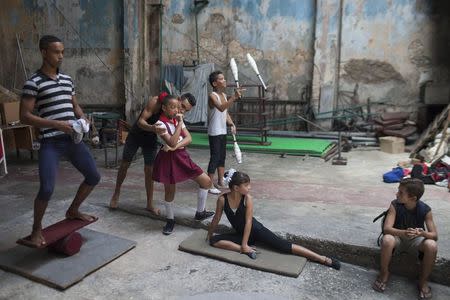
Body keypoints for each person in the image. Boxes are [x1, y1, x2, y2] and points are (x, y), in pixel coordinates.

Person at [20, 35, 101, 247]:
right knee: (47, 188)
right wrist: (56, 124)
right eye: (56, 52)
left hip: (72, 139)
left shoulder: (67, 79)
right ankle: (36, 229)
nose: (61, 56)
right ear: (44, 52)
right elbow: (24, 116)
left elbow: (74, 106)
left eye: (63, 52)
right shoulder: (33, 82)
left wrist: (83, 118)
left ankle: (73, 210)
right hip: (50, 143)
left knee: (93, 176)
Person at [207, 170, 341, 269]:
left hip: (256, 230)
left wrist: (244, 243)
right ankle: (243, 249)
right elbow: (217, 218)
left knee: (283, 246)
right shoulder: (222, 199)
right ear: (236, 188)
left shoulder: (248, 199)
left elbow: (248, 222)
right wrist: (210, 234)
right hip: (241, 234)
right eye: (246, 185)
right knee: (214, 241)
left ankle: (323, 259)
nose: (250, 188)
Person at [109, 92, 196, 215]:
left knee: (149, 170)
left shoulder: (176, 113)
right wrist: (153, 128)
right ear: (178, 99)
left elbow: (180, 136)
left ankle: (149, 203)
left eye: (185, 110)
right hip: (137, 135)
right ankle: (116, 193)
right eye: (182, 106)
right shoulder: (157, 102)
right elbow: (141, 122)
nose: (181, 111)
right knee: (125, 164)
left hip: (151, 139)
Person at [152, 95, 214, 235]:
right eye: (174, 107)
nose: (178, 111)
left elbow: (188, 139)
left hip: (181, 155)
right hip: (167, 159)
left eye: (178, 108)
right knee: (170, 190)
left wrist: (174, 147)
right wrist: (179, 125)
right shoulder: (160, 124)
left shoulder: (177, 119)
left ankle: (200, 212)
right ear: (164, 108)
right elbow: (172, 141)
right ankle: (170, 219)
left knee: (206, 181)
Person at [372, 178, 438, 299]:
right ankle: (384, 273)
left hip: (416, 241)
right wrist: (403, 233)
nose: (397, 194)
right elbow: (386, 229)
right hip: (397, 238)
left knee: (432, 245)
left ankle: (423, 281)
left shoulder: (425, 210)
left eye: (401, 192)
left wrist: (422, 233)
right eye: (398, 191)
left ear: (413, 198)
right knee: (387, 239)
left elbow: (434, 235)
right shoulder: (395, 205)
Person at [207, 70, 242, 194]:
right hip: (214, 132)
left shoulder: (223, 95)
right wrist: (234, 97)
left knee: (222, 157)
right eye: (221, 79)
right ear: (215, 83)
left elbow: (225, 113)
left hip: (222, 131)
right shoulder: (212, 95)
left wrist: (231, 123)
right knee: (215, 157)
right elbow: (221, 108)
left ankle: (221, 181)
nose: (224, 80)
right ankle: (209, 184)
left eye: (224, 78)